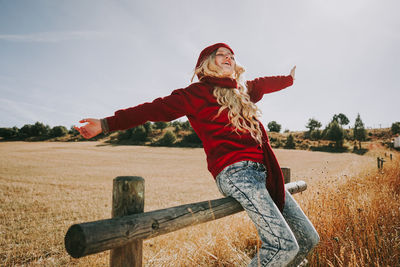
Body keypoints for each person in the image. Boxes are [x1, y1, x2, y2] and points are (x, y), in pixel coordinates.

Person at [74, 43, 319, 266]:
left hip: (265, 173)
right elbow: (151, 109)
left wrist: (289, 79)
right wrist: (106, 124)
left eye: (232, 56)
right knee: (282, 246)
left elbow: (264, 84)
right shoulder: (195, 94)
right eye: (221, 54)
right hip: (237, 173)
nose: (228, 58)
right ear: (206, 63)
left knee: (308, 238)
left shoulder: (242, 92)